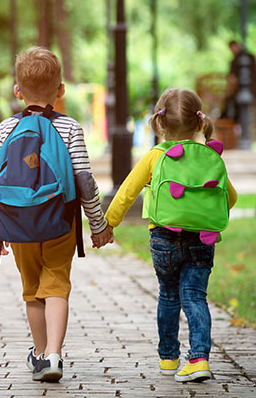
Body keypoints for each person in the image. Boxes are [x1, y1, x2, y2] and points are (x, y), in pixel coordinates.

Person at [0, 47, 112, 382]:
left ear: (17, 91)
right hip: (60, 223)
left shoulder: (4, 129)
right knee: (56, 285)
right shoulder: (69, 127)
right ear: (61, 90)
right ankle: (54, 354)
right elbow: (84, 180)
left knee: (32, 290)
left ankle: (39, 355)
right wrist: (98, 224)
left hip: (18, 225)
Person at [99, 88, 238, 383]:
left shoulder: (155, 156)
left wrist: (108, 223)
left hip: (164, 238)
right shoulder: (210, 157)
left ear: (160, 124)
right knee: (195, 296)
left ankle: (168, 357)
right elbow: (231, 197)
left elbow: (127, 191)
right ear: (200, 123)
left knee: (168, 294)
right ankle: (199, 358)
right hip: (202, 239)